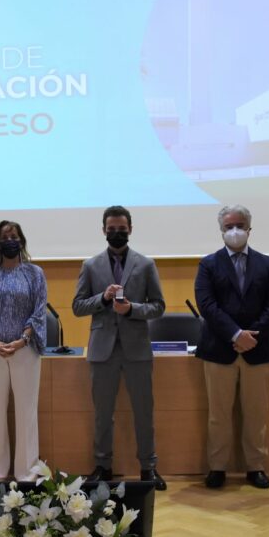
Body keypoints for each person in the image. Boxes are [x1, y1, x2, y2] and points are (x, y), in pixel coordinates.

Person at [72, 205, 167, 490]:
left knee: (144, 411)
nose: (116, 233)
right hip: (102, 350)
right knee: (103, 414)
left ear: (130, 230)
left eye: (121, 229)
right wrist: (102, 298)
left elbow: (158, 306)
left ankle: (148, 468)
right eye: (111, 229)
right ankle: (103, 467)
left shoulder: (146, 264)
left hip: (137, 348)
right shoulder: (90, 265)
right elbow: (77, 306)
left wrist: (132, 309)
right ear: (103, 230)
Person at [194, 205, 269, 489]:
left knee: (256, 414)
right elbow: (207, 304)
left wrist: (252, 334)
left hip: (258, 348)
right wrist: (235, 334)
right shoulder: (208, 264)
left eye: (240, 225)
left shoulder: (266, 264)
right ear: (221, 230)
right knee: (218, 415)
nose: (235, 231)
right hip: (219, 349)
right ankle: (217, 467)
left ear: (249, 228)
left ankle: (256, 467)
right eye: (229, 226)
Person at [0, 220, 47, 482]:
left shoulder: (34, 274)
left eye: (14, 237)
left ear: (21, 241)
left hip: (25, 350)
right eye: (4, 237)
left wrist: (23, 339)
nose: (10, 241)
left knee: (26, 412)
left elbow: (39, 311)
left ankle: (27, 473)